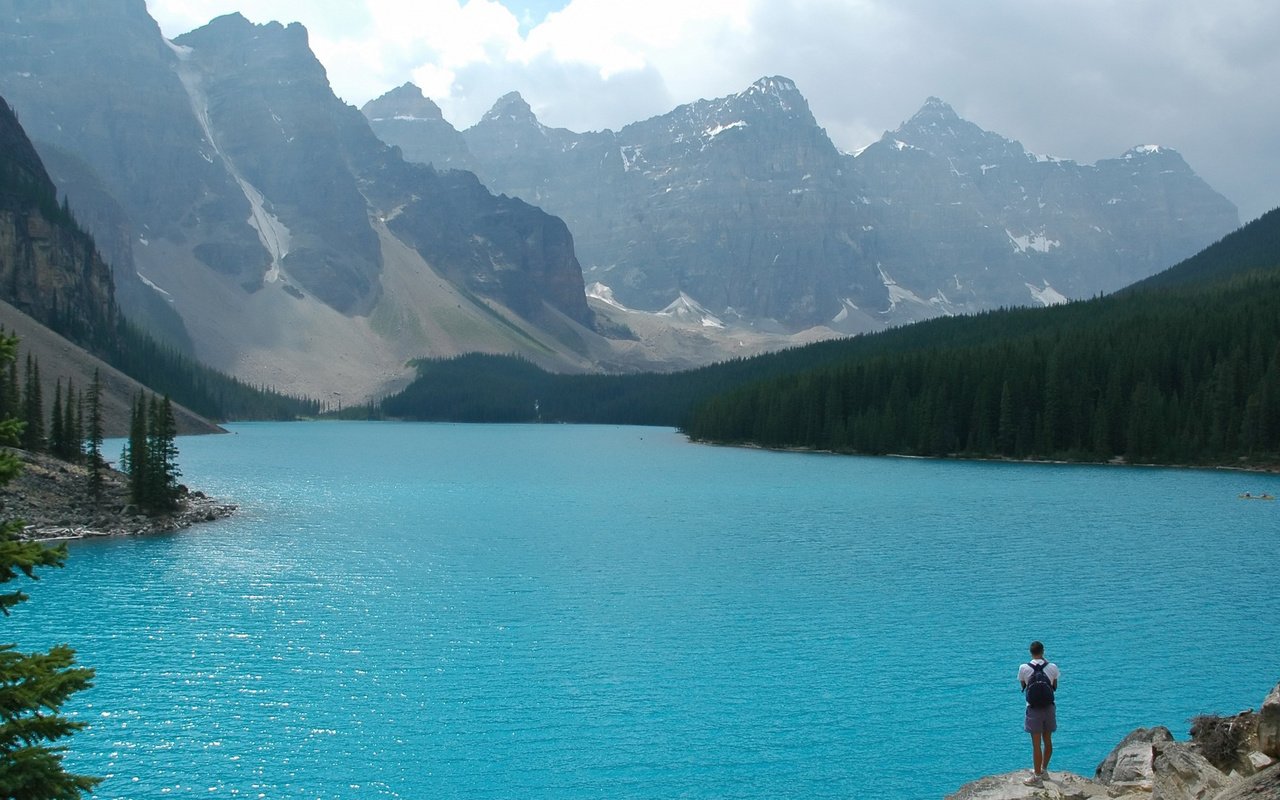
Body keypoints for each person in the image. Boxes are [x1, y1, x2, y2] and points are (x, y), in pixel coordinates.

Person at [1018, 640, 1060, 786]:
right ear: (1043, 651)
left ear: (1031, 652)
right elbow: (1055, 686)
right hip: (1049, 708)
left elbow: (1023, 685)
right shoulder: (1052, 667)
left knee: (1036, 745)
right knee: (1047, 740)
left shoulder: (1024, 667)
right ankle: (1044, 770)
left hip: (1033, 709)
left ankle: (1036, 778)